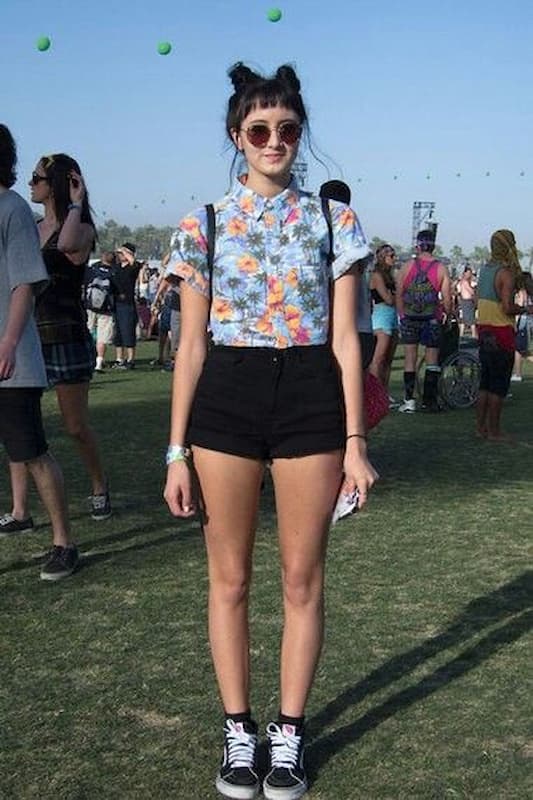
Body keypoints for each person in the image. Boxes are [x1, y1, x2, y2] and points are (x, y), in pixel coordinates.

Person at [163, 63, 378, 800]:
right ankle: (237, 730)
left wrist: (356, 442)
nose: (274, 141)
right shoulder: (202, 224)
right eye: (259, 130)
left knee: (301, 578)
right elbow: (190, 348)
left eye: (287, 128)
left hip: (310, 395)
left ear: (299, 133)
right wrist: (175, 452)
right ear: (237, 136)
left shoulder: (334, 220)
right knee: (228, 579)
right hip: (226, 394)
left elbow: (346, 339)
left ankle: (288, 733)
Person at [0, 151, 111, 533]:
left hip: (64, 334)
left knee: (75, 426)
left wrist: (76, 203)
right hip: (29, 335)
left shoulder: (82, 228)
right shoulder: (28, 224)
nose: (30, 183)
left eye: (38, 178)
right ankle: (20, 511)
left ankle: (99, 484)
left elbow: (64, 244)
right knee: (18, 426)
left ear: (59, 184)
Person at [0, 124, 77, 580]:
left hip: (12, 358)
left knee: (33, 451)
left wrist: (9, 342)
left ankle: (64, 542)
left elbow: (25, 284)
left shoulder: (11, 208)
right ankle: (20, 513)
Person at [476, 231, 533, 439]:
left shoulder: (484, 270)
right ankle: (494, 431)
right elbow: (507, 307)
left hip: (484, 331)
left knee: (485, 383)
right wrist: (525, 309)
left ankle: (481, 428)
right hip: (501, 332)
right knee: (498, 386)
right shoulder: (505, 273)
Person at [396, 229, 452, 413]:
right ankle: (429, 401)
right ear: (433, 246)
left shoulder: (407, 266)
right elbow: (447, 299)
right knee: (432, 360)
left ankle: (409, 401)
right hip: (432, 319)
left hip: (410, 318)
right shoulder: (441, 268)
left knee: (410, 359)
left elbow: (399, 294)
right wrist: (448, 316)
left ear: (418, 246)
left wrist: (402, 316)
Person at [368, 243, 399, 402]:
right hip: (381, 317)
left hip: (393, 316)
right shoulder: (377, 276)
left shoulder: (391, 276)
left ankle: (384, 393)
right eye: (391, 256)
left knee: (388, 359)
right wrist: (396, 296)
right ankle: (374, 394)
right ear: (382, 257)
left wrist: (395, 296)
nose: (394, 258)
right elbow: (388, 299)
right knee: (378, 358)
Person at [84, 249, 116, 372]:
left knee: (87, 332)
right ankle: (99, 362)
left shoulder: (93, 270)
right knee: (102, 337)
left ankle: (87, 358)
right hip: (106, 309)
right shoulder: (114, 272)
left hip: (90, 306)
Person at [112, 242, 141, 369]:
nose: (121, 255)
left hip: (127, 304)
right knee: (118, 333)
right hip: (116, 303)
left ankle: (130, 359)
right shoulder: (116, 267)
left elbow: (134, 263)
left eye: (123, 253)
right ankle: (119, 359)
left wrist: (126, 252)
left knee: (128, 331)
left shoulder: (133, 267)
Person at [457, 266, 477, 337]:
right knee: (471, 320)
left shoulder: (463, 281)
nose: (469, 275)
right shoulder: (465, 282)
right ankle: (474, 335)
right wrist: (474, 290)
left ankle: (461, 335)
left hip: (466, 301)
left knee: (464, 319)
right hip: (467, 302)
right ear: (465, 273)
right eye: (468, 273)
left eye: (470, 273)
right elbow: (471, 292)